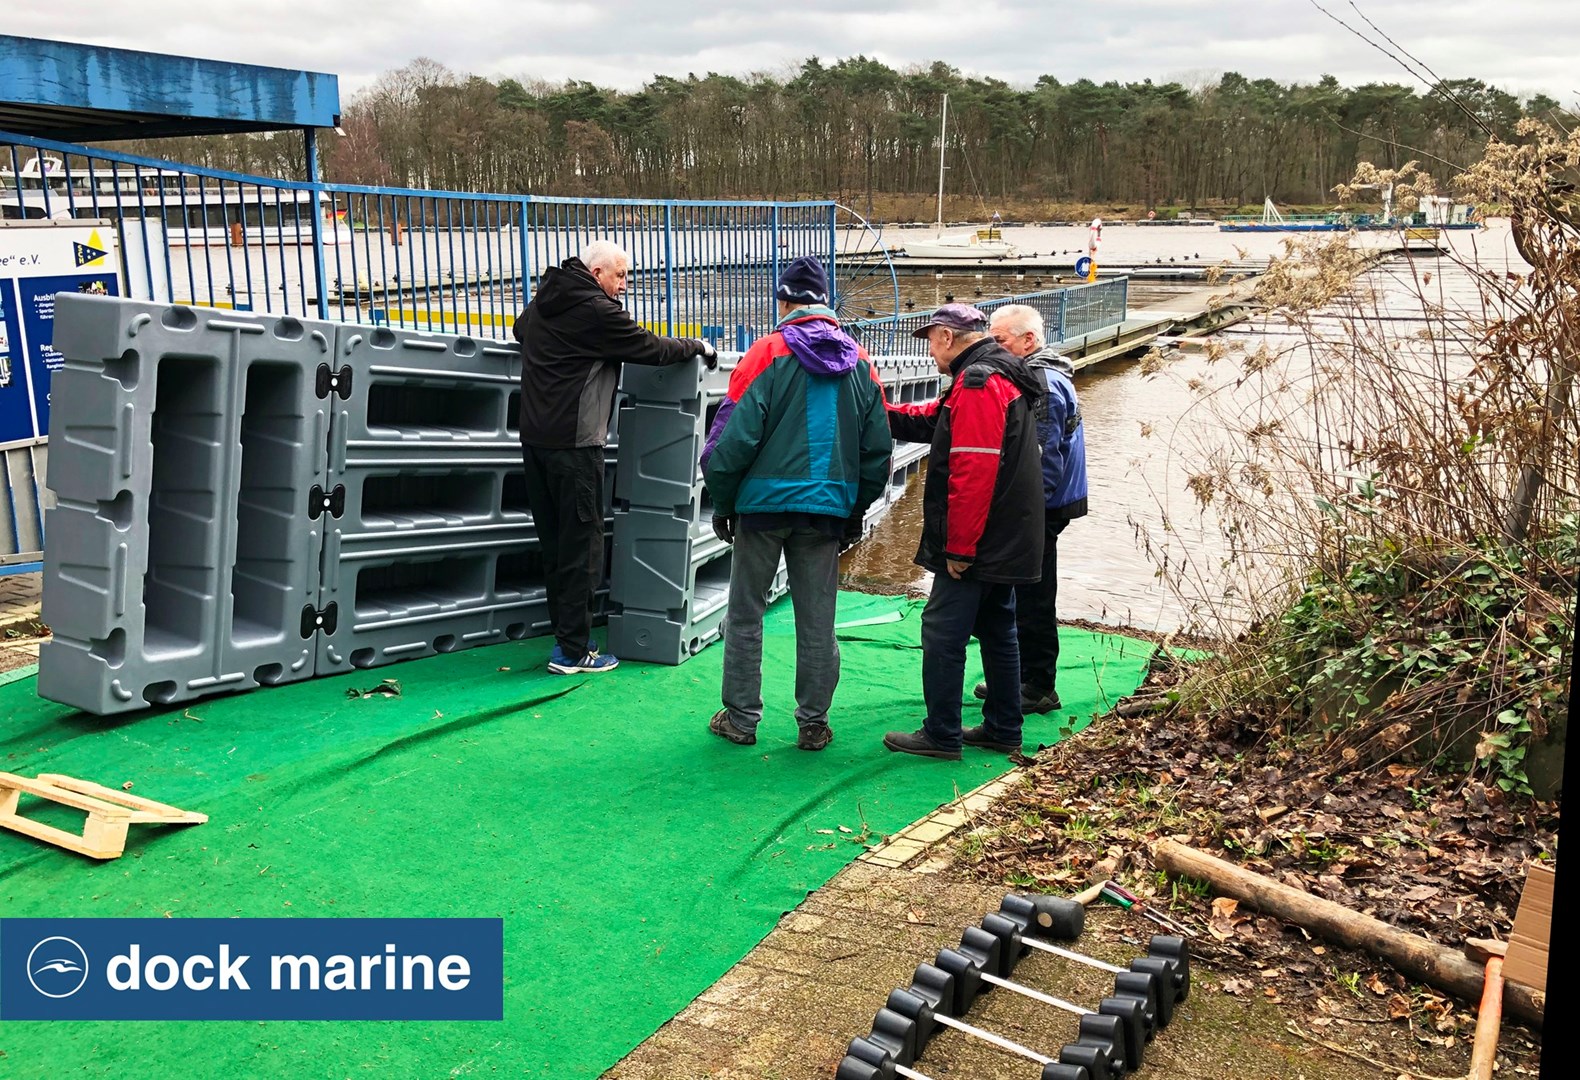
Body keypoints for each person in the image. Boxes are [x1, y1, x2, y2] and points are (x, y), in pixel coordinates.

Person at [700, 256, 893, 750]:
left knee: (746, 614)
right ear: (826, 303)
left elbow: (730, 442)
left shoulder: (764, 354)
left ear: (784, 302)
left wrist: (724, 502)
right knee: (817, 619)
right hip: (826, 511)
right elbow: (878, 450)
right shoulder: (861, 362)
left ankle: (741, 718)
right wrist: (854, 509)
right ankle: (813, 722)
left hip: (762, 509)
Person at [514, 240, 716, 675]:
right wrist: (697, 346)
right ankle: (573, 653)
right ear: (597, 273)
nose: (624, 284)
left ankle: (566, 639)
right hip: (576, 445)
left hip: (535, 442)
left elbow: (519, 330)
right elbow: (651, 347)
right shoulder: (597, 311)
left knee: (555, 544)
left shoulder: (548, 298)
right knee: (582, 546)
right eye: (620, 275)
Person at [882, 303, 1047, 760]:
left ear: (947, 337)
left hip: (982, 539)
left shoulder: (977, 382)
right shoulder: (1001, 373)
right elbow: (935, 420)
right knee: (997, 626)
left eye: (931, 341)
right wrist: (880, 408)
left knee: (942, 631)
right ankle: (1003, 728)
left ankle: (941, 733)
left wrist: (959, 548)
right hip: (1009, 533)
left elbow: (973, 470)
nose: (930, 352)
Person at [976, 304, 1088, 714]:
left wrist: (1025, 514)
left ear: (1028, 340)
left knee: (1034, 594)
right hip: (1051, 501)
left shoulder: (1041, 382)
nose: (993, 347)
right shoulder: (1043, 373)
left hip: (1044, 506)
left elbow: (1043, 458)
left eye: (1000, 340)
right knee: (1024, 591)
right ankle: (1022, 676)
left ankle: (1038, 685)